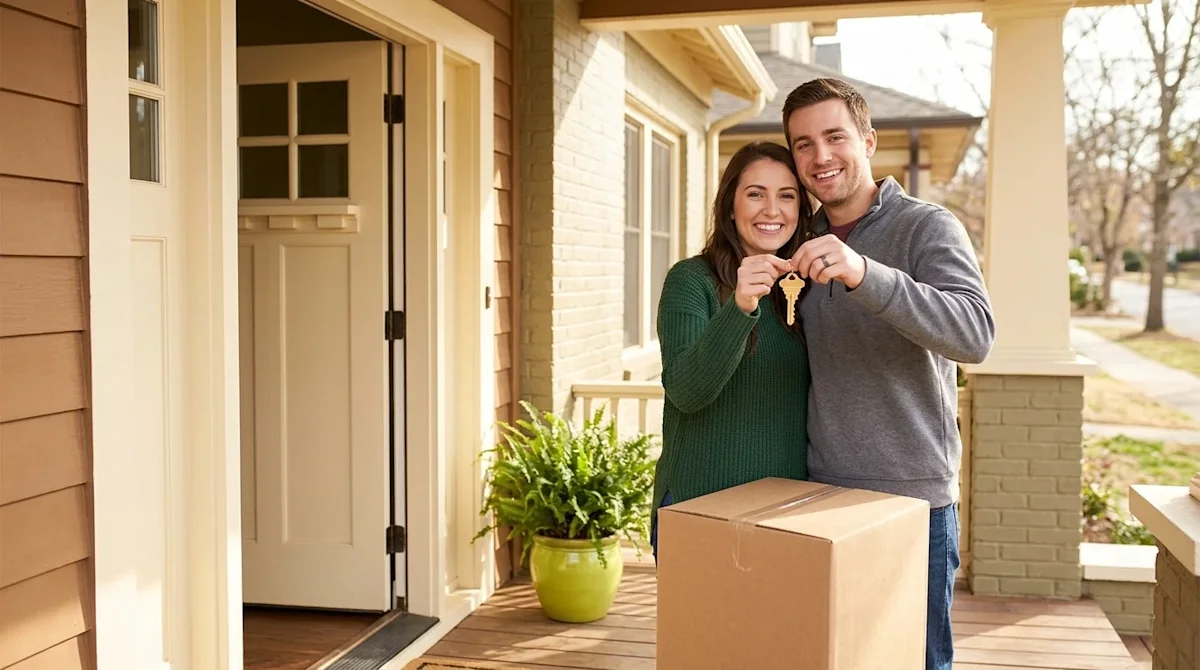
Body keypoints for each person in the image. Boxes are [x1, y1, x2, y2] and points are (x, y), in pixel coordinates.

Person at [782, 77, 995, 670]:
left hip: (913, 503)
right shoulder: (804, 239)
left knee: (917, 662)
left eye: (834, 137)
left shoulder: (927, 226)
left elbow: (975, 335)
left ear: (868, 140)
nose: (820, 157)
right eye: (803, 144)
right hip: (825, 494)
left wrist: (864, 274)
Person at [648, 141, 814, 560]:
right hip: (698, 509)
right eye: (755, 193)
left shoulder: (804, 290)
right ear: (730, 206)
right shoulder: (691, 280)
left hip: (783, 517)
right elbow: (686, 392)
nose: (772, 211)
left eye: (787, 196)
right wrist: (740, 307)